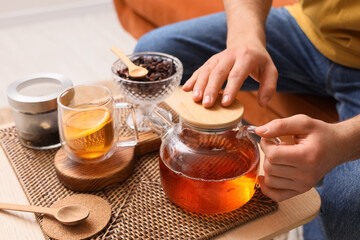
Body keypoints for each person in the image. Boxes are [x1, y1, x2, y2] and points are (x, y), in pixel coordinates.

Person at [133, 0, 360, 239]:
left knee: (346, 212)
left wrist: (343, 142)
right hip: (312, 32)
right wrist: (245, 37)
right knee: (154, 53)